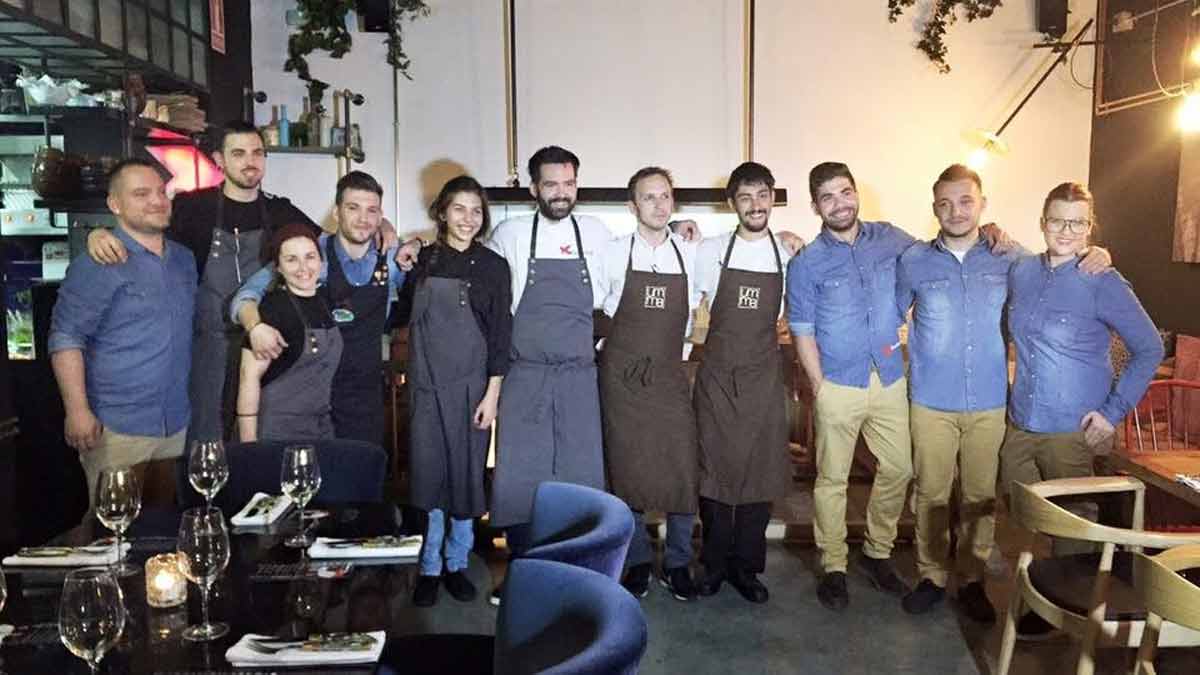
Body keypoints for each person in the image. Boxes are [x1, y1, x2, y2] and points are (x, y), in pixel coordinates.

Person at [895, 165, 1112, 623]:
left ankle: (972, 580)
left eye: (966, 201)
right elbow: (891, 315)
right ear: (934, 206)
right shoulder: (913, 260)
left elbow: (1060, 261)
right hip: (930, 400)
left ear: (982, 204)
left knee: (979, 496)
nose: (956, 211)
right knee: (932, 492)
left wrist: (1098, 254)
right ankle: (932, 576)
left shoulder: (1010, 258)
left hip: (992, 401)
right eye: (946, 203)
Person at [86, 121, 320, 445]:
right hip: (207, 351)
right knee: (207, 443)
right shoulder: (193, 208)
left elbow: (327, 251)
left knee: (257, 442)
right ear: (219, 160)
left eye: (257, 153)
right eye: (238, 153)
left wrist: (384, 227)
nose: (249, 161)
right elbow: (142, 232)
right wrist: (100, 232)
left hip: (265, 348)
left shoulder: (281, 210)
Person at [1002, 182, 1162, 638]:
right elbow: (999, 248)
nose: (1066, 230)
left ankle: (1069, 625)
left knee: (1073, 531)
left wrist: (1112, 412)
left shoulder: (1102, 279)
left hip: (1071, 430)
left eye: (1077, 222)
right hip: (1020, 424)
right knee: (1024, 522)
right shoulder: (1023, 271)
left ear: (1090, 227)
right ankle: (1034, 600)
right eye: (1057, 220)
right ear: (1042, 222)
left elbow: (1148, 348)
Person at [485, 145, 609, 602]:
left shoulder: (596, 233)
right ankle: (521, 567)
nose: (561, 193)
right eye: (551, 184)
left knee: (580, 473)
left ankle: (577, 566)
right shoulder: (510, 234)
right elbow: (487, 291)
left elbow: (618, 289)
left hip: (579, 375)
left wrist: (681, 230)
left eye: (569, 183)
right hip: (526, 374)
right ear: (535, 187)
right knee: (520, 473)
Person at [391, 175, 512, 607]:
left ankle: (457, 562)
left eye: (475, 211)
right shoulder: (422, 259)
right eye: (459, 209)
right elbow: (398, 314)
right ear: (442, 211)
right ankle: (429, 566)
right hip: (425, 386)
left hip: (472, 389)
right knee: (428, 478)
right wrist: (398, 253)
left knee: (465, 478)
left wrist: (492, 395)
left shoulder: (495, 267)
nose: (468, 218)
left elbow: (501, 335)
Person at [49, 159, 196, 507]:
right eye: (141, 194)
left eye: (161, 192)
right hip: (117, 426)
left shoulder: (183, 259)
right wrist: (77, 411)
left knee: (162, 534)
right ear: (114, 204)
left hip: (175, 422)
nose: (157, 201)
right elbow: (66, 336)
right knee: (114, 533)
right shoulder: (98, 263)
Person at [231, 171, 410, 446]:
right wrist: (255, 327)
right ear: (337, 213)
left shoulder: (393, 260)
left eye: (371, 210)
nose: (363, 218)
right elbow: (245, 295)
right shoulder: (310, 254)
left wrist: (416, 243)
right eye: (353, 208)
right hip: (307, 398)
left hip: (364, 399)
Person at [691, 161, 796, 604]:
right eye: (746, 197)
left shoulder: (789, 253)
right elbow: (687, 305)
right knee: (713, 475)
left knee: (760, 474)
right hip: (717, 378)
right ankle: (713, 565)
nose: (756, 205)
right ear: (732, 204)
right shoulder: (710, 249)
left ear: (772, 198)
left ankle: (747, 568)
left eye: (763, 195)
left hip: (764, 379)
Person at [598, 167, 701, 601]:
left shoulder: (693, 252)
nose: (659, 206)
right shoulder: (611, 252)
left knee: (682, 472)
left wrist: (789, 237)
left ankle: (678, 562)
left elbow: (759, 245)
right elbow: (593, 309)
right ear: (632, 206)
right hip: (623, 382)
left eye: (665, 197)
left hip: (671, 378)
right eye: (649, 198)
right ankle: (637, 562)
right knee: (628, 473)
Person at [235, 224, 343, 442]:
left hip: (320, 426)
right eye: (291, 259)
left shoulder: (326, 301)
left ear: (321, 262)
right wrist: (249, 447)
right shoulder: (271, 309)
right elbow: (249, 376)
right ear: (278, 268)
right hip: (276, 430)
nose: (303, 267)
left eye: (310, 257)